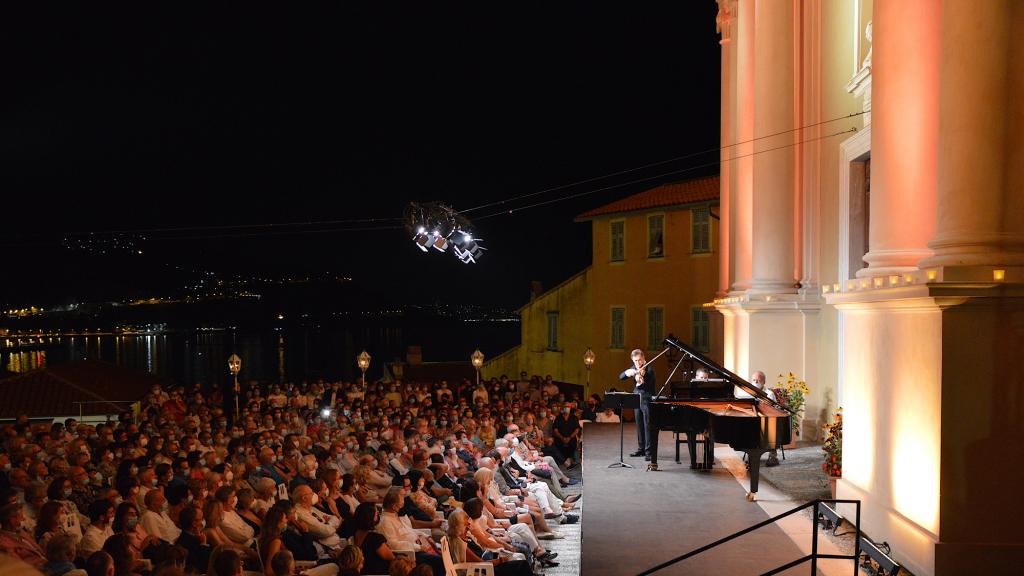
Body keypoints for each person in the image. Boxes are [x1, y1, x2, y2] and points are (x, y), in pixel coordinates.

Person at [736, 370, 780, 467]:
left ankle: (773, 456)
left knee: (771, 428)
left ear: (764, 382)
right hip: (752, 419)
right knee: (746, 427)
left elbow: (773, 410)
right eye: (754, 380)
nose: (755, 382)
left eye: (758, 380)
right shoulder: (746, 392)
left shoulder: (769, 394)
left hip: (766, 419)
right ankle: (750, 454)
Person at [620, 348, 656, 461]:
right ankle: (641, 449)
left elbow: (646, 384)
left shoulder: (649, 369)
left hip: (647, 400)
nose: (638, 363)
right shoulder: (634, 368)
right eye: (635, 361)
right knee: (639, 426)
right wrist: (628, 373)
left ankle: (649, 452)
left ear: (644, 358)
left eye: (640, 360)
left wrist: (639, 378)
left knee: (647, 426)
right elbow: (621, 377)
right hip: (636, 400)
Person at [351, 502, 394, 576]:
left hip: (364, 570)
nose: (378, 513)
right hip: (378, 572)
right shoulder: (375, 539)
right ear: (370, 517)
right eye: (376, 513)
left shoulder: (355, 533)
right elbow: (392, 558)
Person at [0, 502, 47, 568]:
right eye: (21, 516)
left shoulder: (21, 531)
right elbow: (20, 566)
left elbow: (37, 550)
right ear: (12, 520)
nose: (24, 519)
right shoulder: (4, 544)